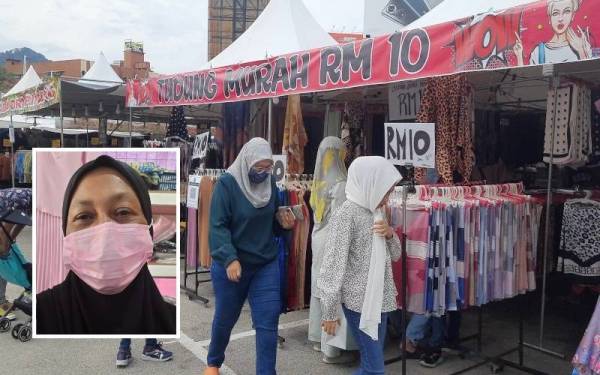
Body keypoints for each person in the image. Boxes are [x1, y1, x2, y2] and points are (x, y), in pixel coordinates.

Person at [36, 155, 176, 335]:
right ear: (65, 232)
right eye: (84, 216)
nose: (104, 232)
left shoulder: (171, 321)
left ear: (148, 228)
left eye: (123, 212)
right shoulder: (41, 315)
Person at [204, 138, 295, 375]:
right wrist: (229, 258)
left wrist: (284, 224)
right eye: (259, 167)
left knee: (268, 322)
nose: (263, 173)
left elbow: (272, 225)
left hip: (265, 264)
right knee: (225, 318)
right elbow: (217, 226)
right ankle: (213, 362)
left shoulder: (271, 185)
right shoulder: (227, 185)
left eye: (267, 168)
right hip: (232, 265)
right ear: (246, 162)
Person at [318, 156, 402, 375]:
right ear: (370, 184)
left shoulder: (376, 210)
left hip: (381, 300)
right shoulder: (346, 214)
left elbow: (396, 255)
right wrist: (329, 312)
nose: (387, 198)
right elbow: (332, 265)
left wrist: (390, 234)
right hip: (359, 302)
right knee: (375, 369)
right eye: (386, 191)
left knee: (371, 365)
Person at [308, 137, 357, 364]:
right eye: (343, 150)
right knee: (332, 290)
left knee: (319, 287)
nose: (346, 153)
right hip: (332, 240)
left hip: (317, 237)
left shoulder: (319, 180)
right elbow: (341, 219)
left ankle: (318, 339)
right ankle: (332, 350)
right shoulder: (340, 182)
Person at [514, 0, 592, 65]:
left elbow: (591, 77)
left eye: (567, 11)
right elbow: (529, 80)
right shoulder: (539, 52)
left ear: (572, 16)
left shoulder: (583, 46)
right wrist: (519, 56)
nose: (560, 18)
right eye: (555, 13)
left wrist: (581, 51)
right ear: (549, 19)